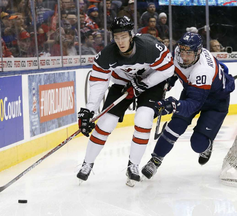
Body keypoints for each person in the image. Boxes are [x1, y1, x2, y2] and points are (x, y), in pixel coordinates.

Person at [76, 16, 174, 184]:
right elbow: (99, 82)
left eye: (123, 37)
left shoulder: (151, 48)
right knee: (106, 122)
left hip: (151, 83)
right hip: (123, 83)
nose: (120, 41)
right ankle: (87, 163)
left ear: (131, 35)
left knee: (143, 118)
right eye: (116, 37)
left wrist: (144, 83)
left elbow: (168, 69)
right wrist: (89, 110)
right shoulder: (106, 55)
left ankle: (133, 165)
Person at [141, 32, 236, 179]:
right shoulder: (178, 52)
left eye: (189, 53)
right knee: (175, 126)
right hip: (194, 91)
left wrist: (173, 105)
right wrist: (170, 79)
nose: (184, 57)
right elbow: (174, 69)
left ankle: (207, 144)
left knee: (198, 144)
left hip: (216, 101)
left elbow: (193, 105)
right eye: (182, 51)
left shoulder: (203, 70)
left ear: (198, 52)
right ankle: (155, 160)